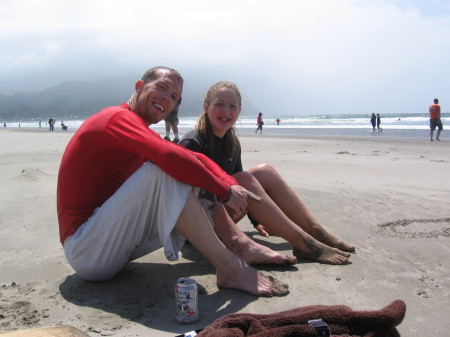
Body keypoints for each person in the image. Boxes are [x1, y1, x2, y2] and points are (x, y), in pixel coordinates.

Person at [57, 66, 289, 297]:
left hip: (112, 248)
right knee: (166, 171)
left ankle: (241, 246)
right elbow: (170, 157)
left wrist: (229, 183)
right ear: (139, 87)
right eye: (161, 88)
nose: (167, 98)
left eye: (174, 96)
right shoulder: (117, 117)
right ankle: (230, 268)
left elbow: (191, 156)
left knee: (183, 169)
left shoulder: (139, 130)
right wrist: (223, 191)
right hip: (86, 249)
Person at [180, 81, 354, 265]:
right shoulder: (193, 142)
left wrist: (256, 220)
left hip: (223, 213)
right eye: (219, 104)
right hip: (196, 228)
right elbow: (182, 197)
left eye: (233, 106)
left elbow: (241, 185)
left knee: (265, 171)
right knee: (244, 179)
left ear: (239, 111)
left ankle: (315, 230)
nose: (226, 111)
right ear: (206, 107)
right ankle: (305, 244)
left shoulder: (232, 143)